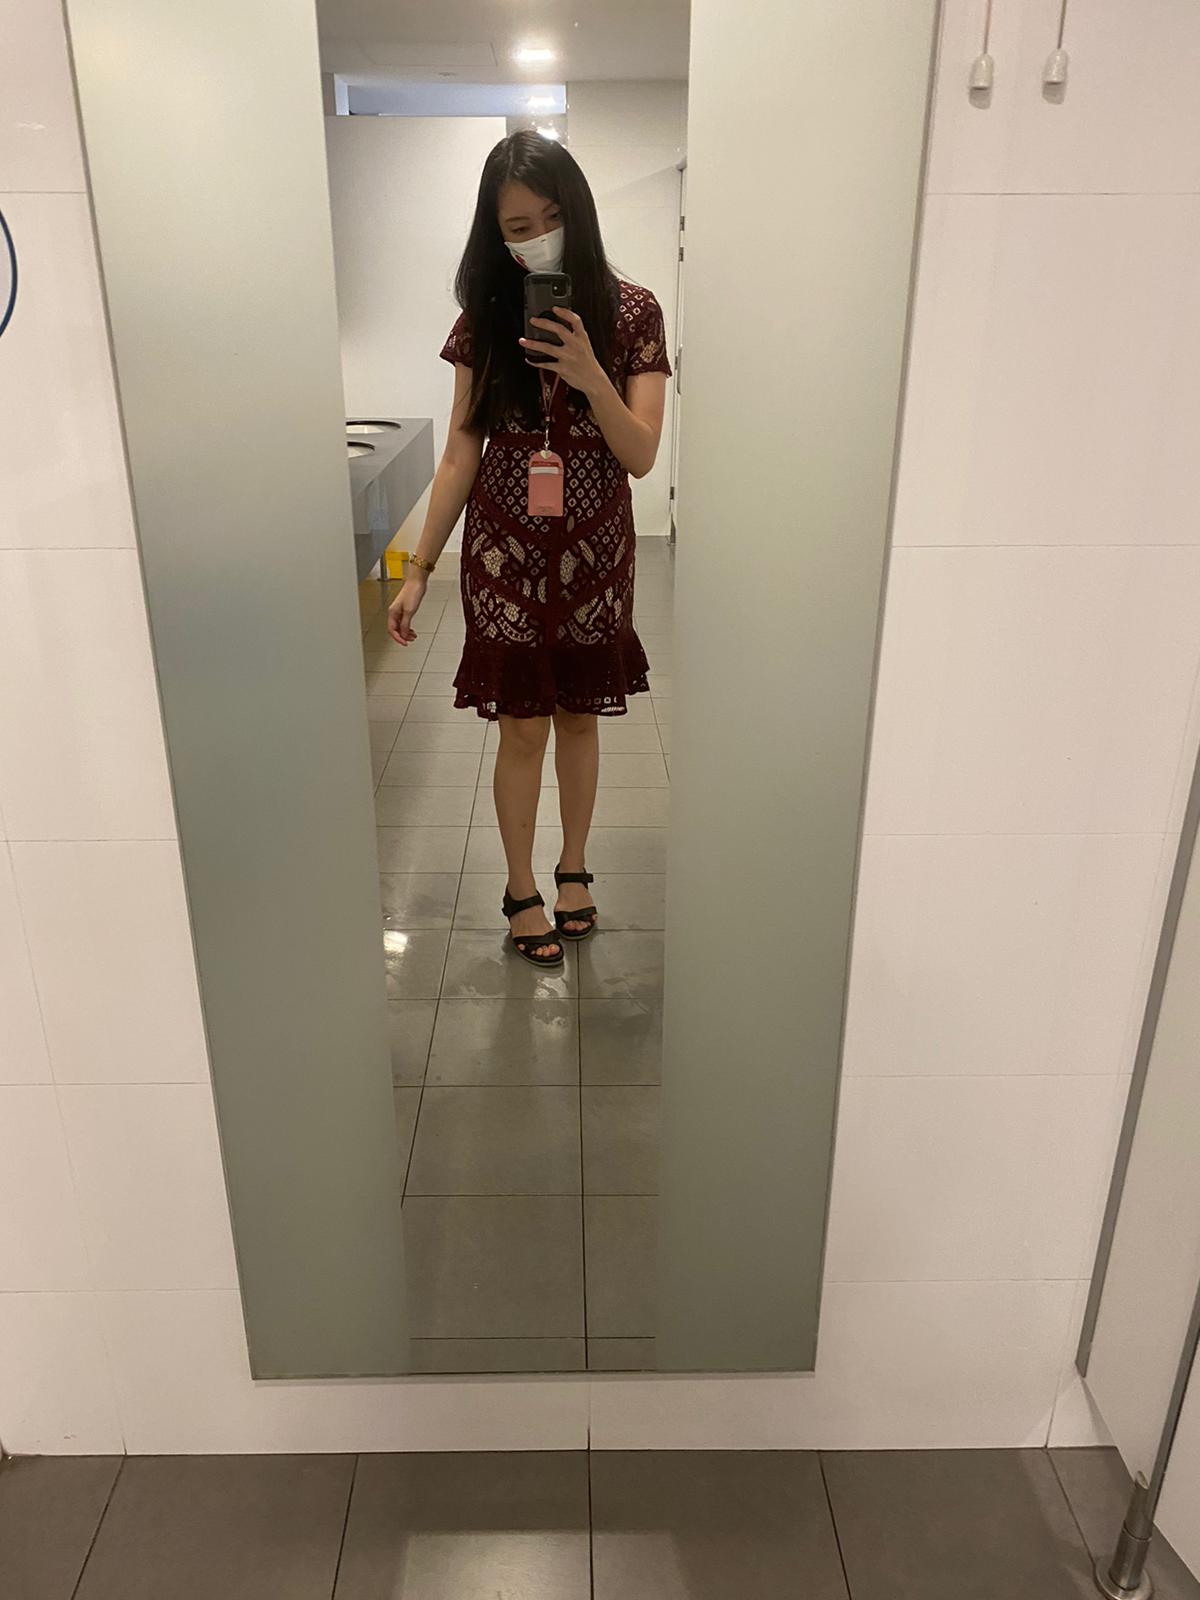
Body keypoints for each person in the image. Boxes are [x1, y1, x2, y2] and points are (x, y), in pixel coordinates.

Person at [388, 131, 671, 968]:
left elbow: (641, 454)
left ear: (577, 211)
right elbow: (459, 453)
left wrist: (589, 374)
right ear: (496, 234)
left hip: (595, 555)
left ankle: (574, 869)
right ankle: (520, 889)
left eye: (551, 217)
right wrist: (418, 571)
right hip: (503, 556)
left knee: (580, 718)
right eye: (518, 227)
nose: (539, 237)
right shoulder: (484, 320)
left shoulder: (634, 313)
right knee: (521, 729)